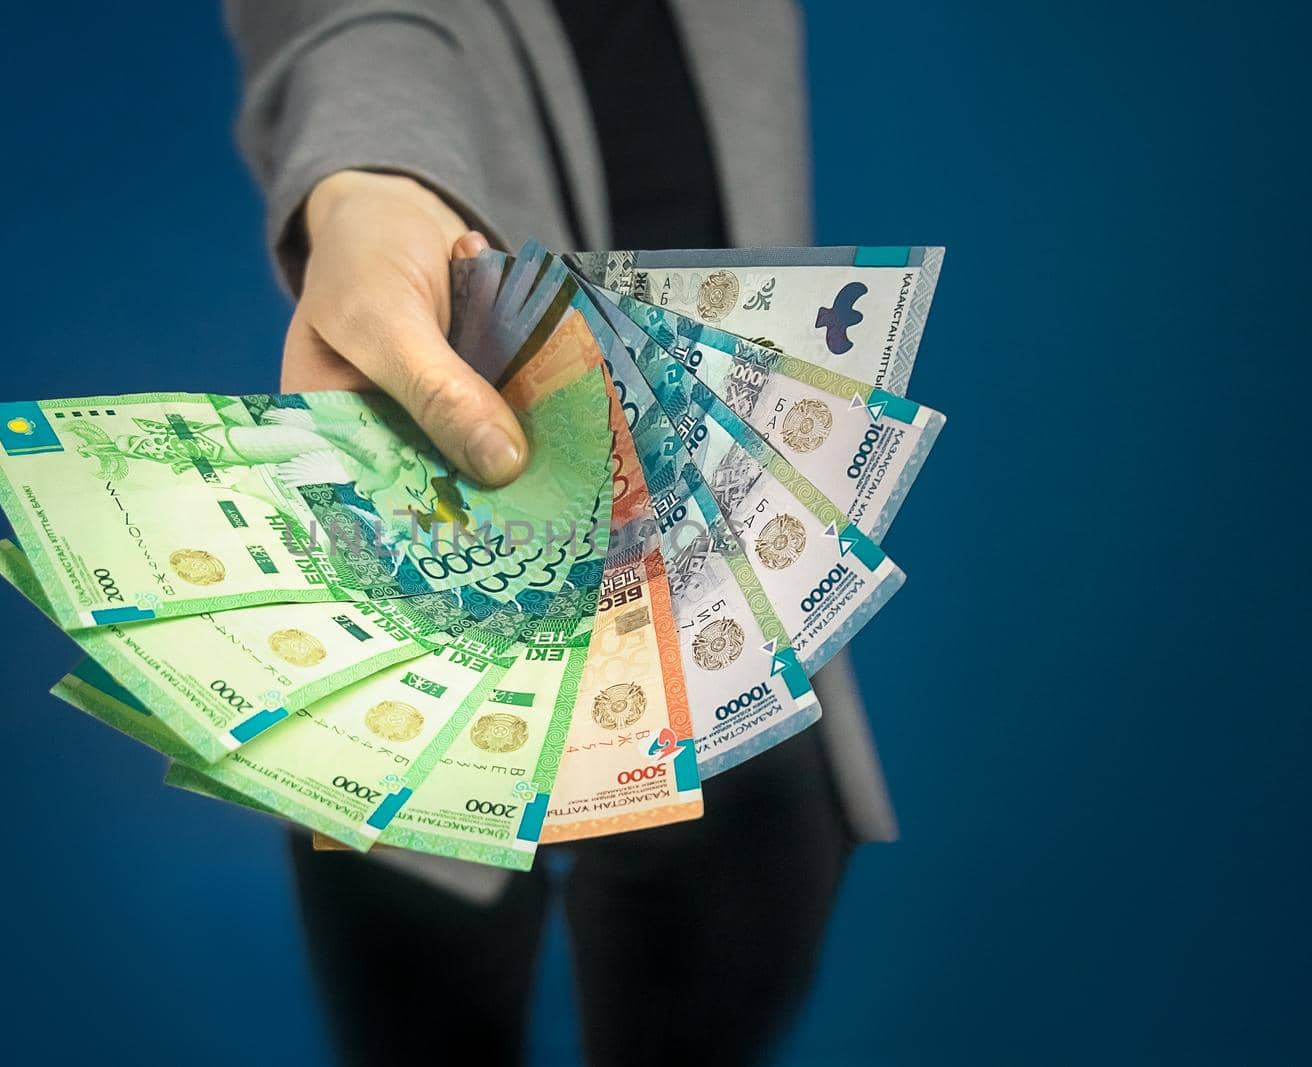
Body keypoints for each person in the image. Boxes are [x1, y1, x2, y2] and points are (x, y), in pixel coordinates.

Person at [225, 3, 898, 1063]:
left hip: (728, 567)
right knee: (421, 990)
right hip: (451, 564)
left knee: (743, 952)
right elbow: (352, 26)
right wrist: (371, 184)